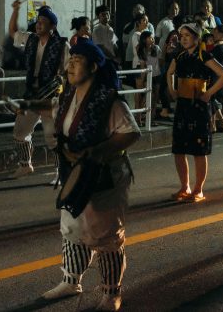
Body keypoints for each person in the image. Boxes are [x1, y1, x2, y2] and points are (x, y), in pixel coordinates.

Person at [41, 39, 140, 311]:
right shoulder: (66, 97)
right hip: (75, 174)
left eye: (78, 60)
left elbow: (131, 133)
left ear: (94, 67)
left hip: (105, 177)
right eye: (70, 59)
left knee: (105, 235)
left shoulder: (109, 100)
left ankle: (111, 292)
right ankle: (71, 280)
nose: (70, 64)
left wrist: (97, 151)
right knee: (72, 228)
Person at [165, 22, 223, 202]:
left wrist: (209, 93)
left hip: (199, 107)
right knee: (179, 149)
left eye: (187, 35)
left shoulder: (205, 56)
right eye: (182, 35)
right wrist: (171, 89)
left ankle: (198, 189)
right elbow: (169, 72)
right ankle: (184, 186)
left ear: (196, 37)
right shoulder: (179, 56)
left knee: (199, 150)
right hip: (182, 106)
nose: (184, 39)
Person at [8, 0, 69, 177]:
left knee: (53, 137)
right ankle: (25, 164)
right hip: (31, 93)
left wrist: (65, 92)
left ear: (53, 26)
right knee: (20, 131)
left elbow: (69, 70)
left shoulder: (62, 45)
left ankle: (61, 171)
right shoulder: (30, 39)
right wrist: (16, 10)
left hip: (51, 96)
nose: (39, 23)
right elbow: (12, 32)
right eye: (38, 19)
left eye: (43, 20)